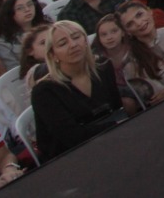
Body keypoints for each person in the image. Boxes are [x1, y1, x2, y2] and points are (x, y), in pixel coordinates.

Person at [30, 20, 127, 159]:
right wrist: (117, 126)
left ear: (86, 41)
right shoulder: (44, 91)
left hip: (111, 141)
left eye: (76, 37)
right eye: (63, 43)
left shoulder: (103, 67)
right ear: (53, 55)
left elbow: (117, 110)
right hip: (68, 157)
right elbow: (71, 137)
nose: (73, 45)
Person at [0, 0, 41, 71]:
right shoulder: (3, 43)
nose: (27, 9)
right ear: (10, 14)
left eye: (30, 4)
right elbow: (15, 72)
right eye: (20, 8)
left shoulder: (46, 26)